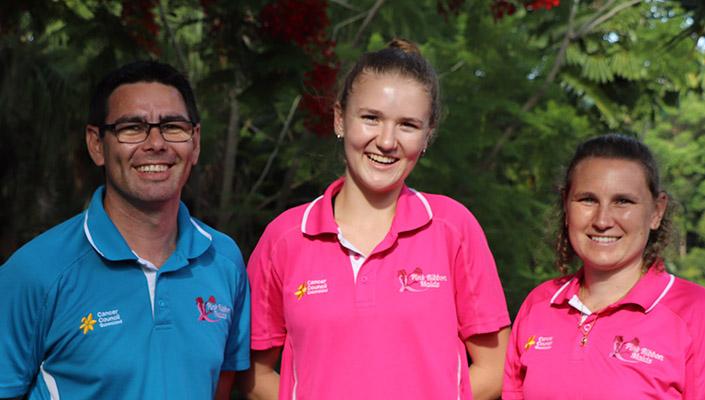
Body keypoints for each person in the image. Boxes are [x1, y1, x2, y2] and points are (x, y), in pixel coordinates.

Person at [242, 39, 510, 400]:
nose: (386, 141)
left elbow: (495, 370)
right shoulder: (286, 237)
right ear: (340, 119)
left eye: (408, 125)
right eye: (371, 118)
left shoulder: (453, 227)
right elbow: (251, 372)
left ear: (428, 134)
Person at [0, 61, 250, 399]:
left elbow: (220, 385)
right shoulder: (35, 271)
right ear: (97, 144)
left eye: (173, 126)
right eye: (132, 127)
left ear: (196, 142)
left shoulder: (223, 260)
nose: (156, 143)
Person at [503, 134, 705, 399]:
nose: (602, 220)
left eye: (623, 201)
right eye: (588, 199)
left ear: (657, 211)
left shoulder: (694, 312)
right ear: (566, 204)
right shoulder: (539, 305)